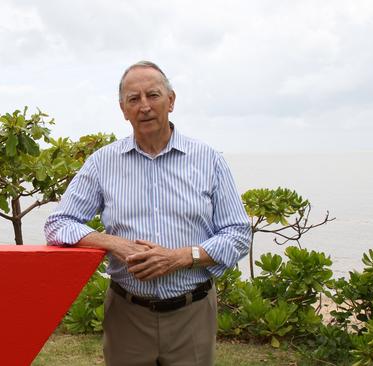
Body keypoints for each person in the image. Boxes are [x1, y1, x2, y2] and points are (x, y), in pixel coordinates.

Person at [44, 61, 251, 366]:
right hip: (127, 314)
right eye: (133, 99)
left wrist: (181, 257)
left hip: (191, 313)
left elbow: (238, 233)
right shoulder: (103, 163)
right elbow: (57, 224)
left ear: (171, 100)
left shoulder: (208, 160)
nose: (144, 106)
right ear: (122, 109)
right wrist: (114, 243)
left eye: (153, 95)